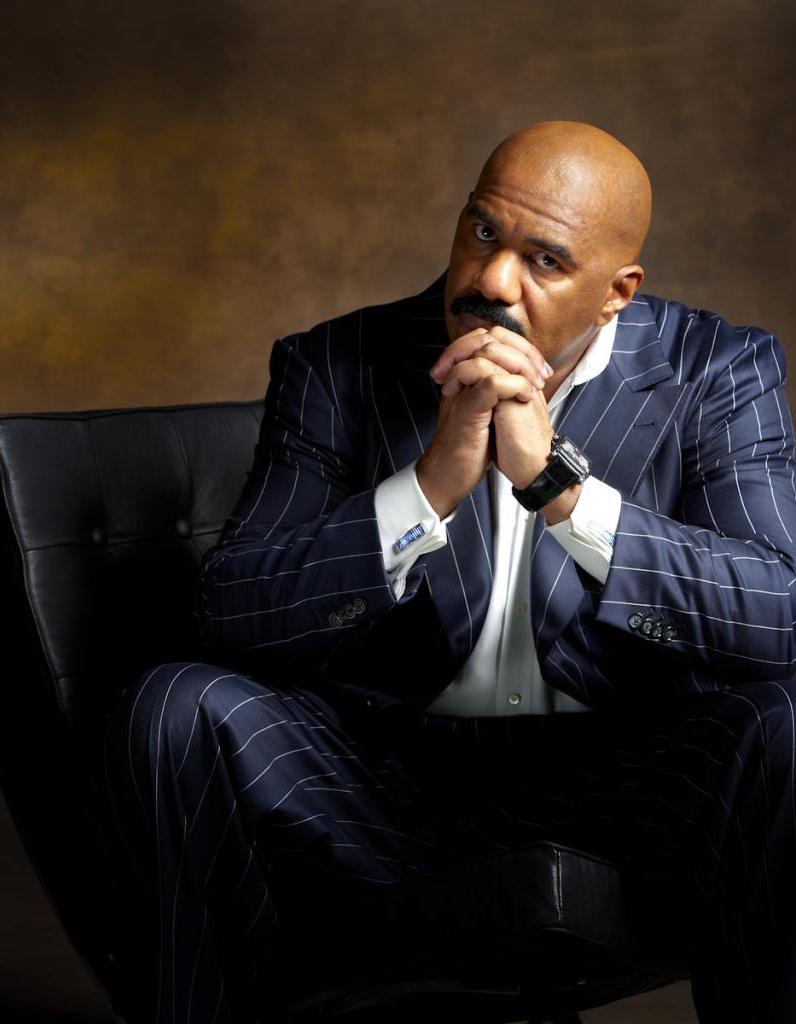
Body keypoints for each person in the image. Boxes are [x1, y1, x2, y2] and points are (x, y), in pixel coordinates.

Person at [104, 121, 796, 1023]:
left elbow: (780, 614)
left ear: (617, 293)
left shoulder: (716, 370)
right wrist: (428, 486)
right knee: (177, 703)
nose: (492, 281)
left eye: (544, 260)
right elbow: (231, 607)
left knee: (788, 723)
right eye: (482, 232)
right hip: (387, 785)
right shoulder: (336, 362)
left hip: (617, 788)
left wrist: (557, 488)